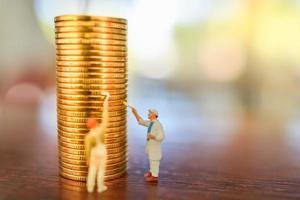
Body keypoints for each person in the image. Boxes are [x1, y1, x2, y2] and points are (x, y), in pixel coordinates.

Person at [131, 107, 165, 182]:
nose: (148, 114)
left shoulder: (158, 125)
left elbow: (162, 136)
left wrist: (154, 137)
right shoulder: (150, 123)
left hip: (155, 146)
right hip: (150, 145)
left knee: (154, 160)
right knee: (151, 159)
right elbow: (141, 121)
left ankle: (154, 176)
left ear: (154, 115)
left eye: (149, 113)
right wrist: (135, 113)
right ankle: (151, 171)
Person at [85, 91, 110, 193]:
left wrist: (88, 159)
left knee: (92, 171)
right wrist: (106, 100)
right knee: (101, 170)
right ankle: (100, 187)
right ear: (96, 123)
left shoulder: (88, 136)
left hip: (94, 153)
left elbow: (87, 149)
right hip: (102, 151)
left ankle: (90, 188)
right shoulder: (101, 129)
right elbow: (105, 117)